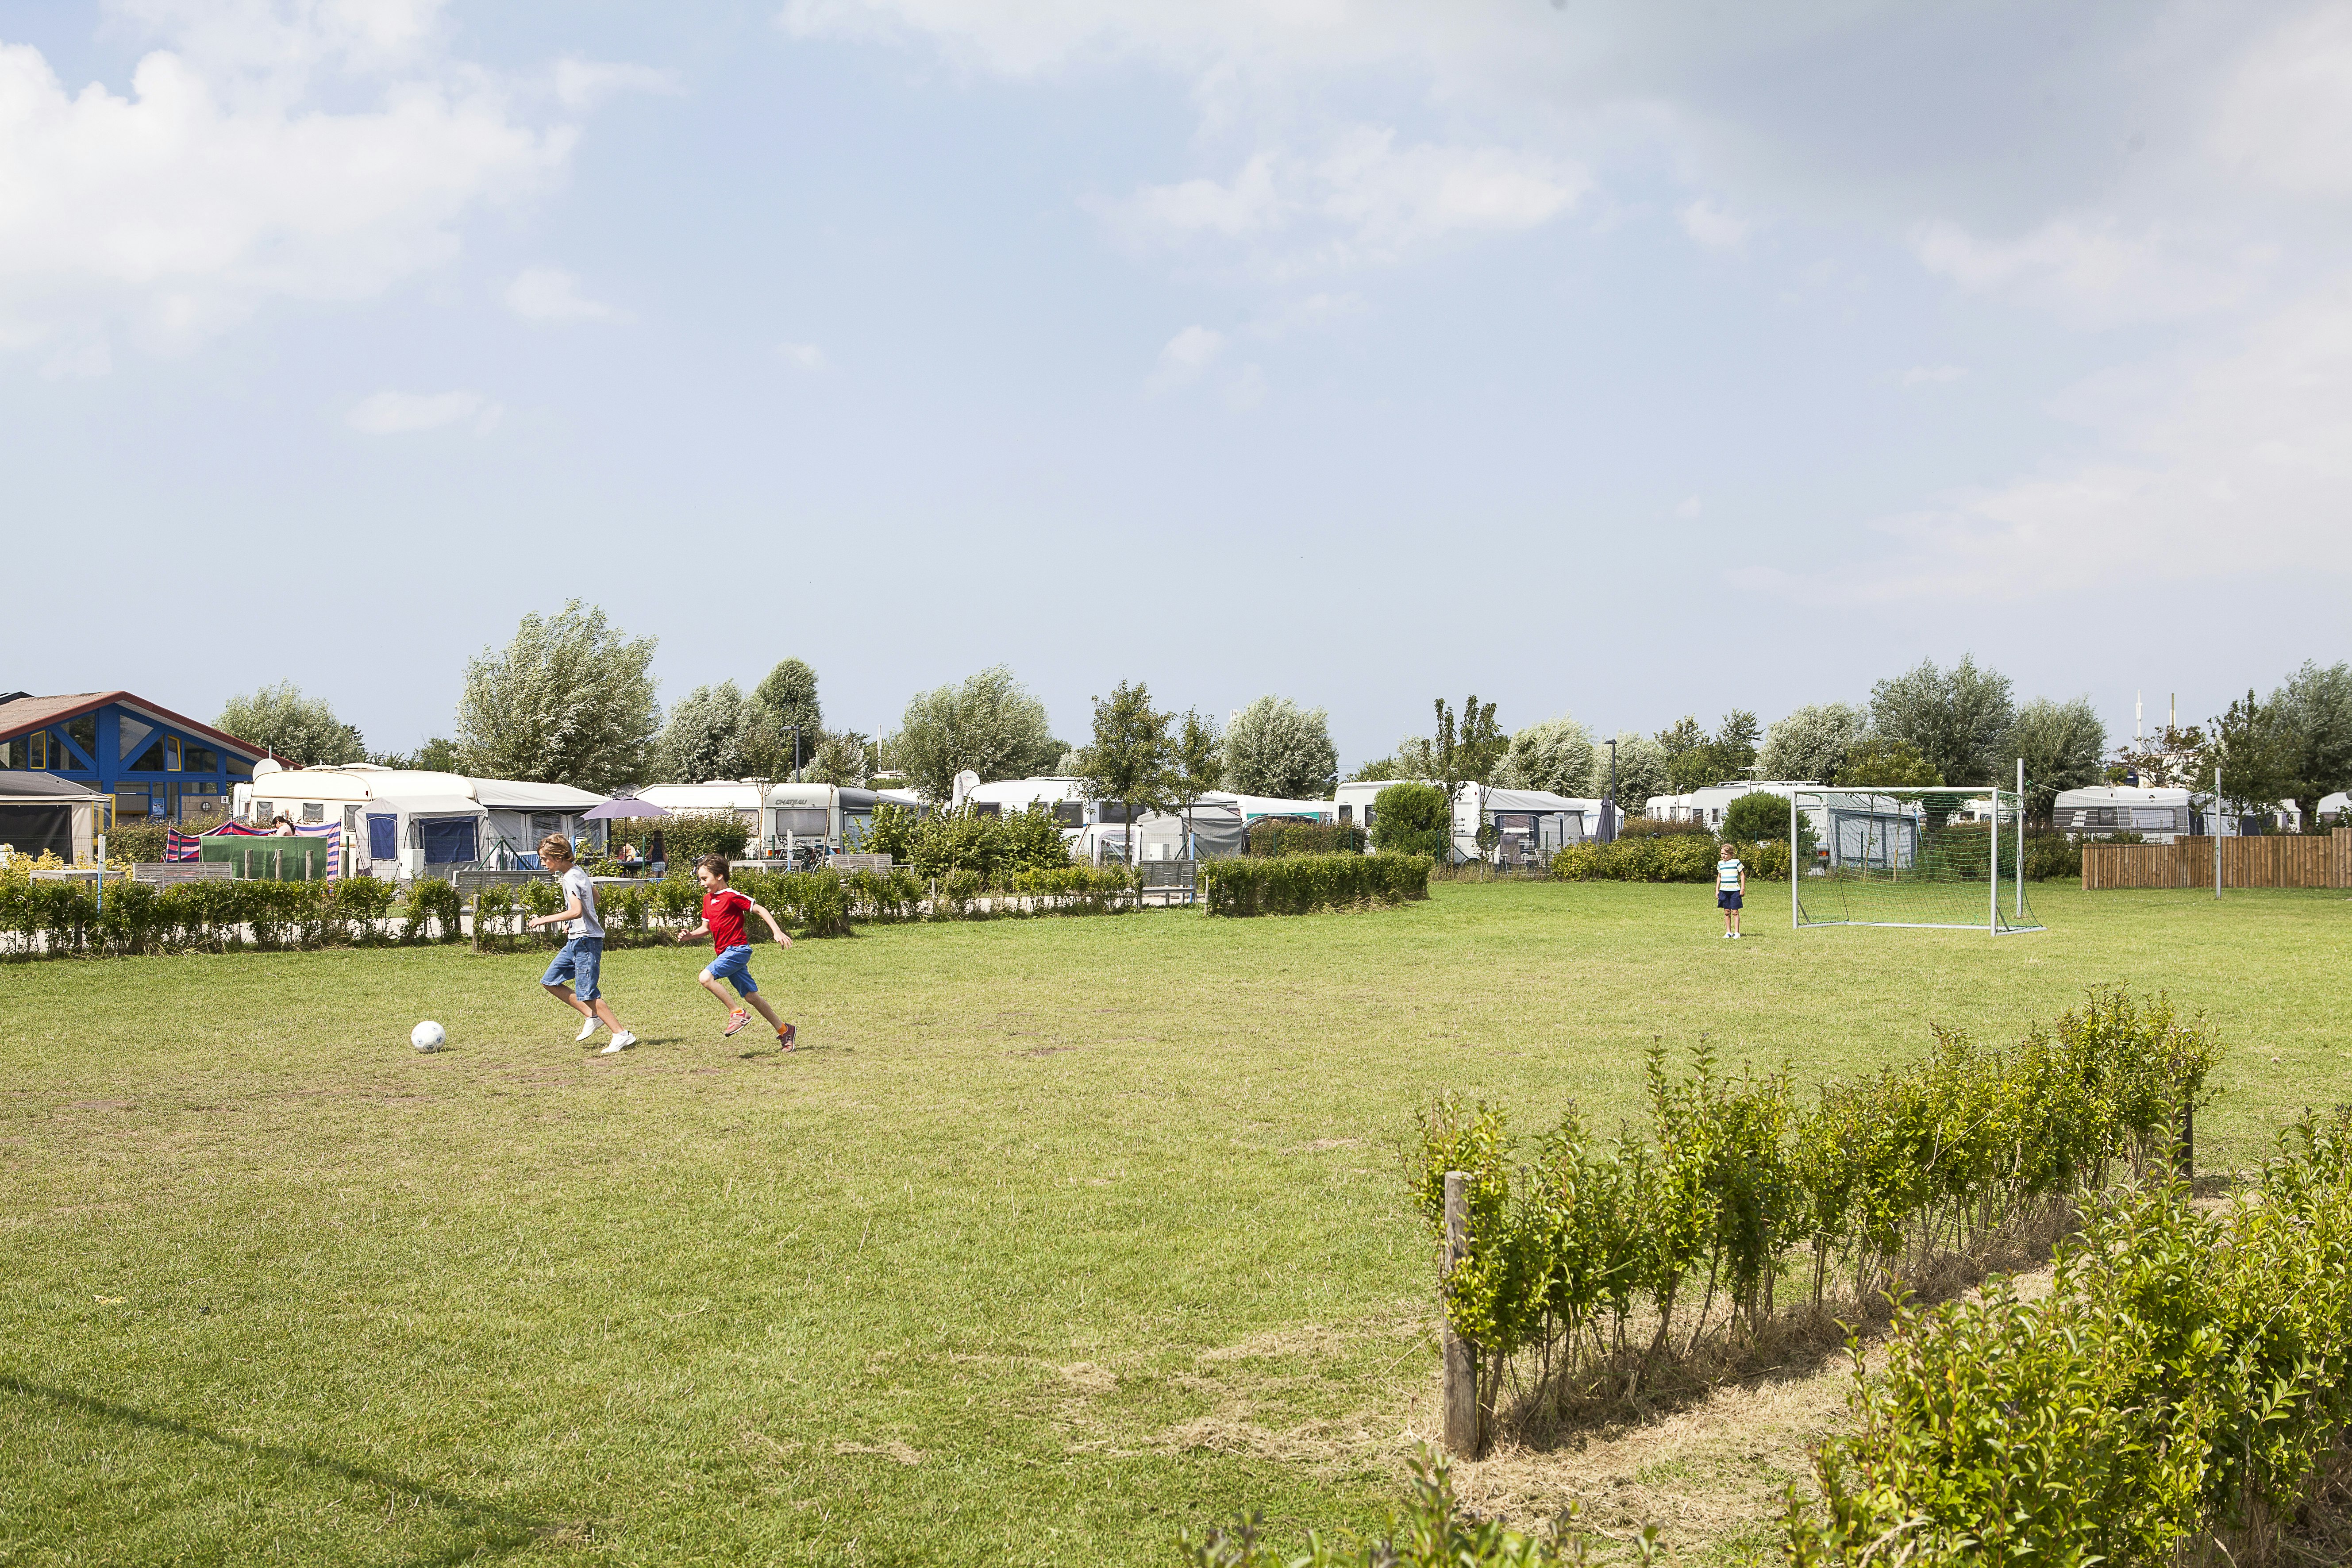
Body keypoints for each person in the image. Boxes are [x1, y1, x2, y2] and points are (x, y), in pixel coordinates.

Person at [527, 834, 639, 1055]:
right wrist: (573, 923)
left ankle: (621, 1034)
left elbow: (577, 910)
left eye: (544, 858)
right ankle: (592, 1016)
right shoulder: (578, 872)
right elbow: (595, 898)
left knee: (587, 992)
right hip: (577, 939)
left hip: (586, 942)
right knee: (550, 981)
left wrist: (544, 919)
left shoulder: (570, 878)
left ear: (558, 857)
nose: (542, 863)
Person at [674, 853, 797, 1050]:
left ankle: (737, 1013)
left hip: (738, 950)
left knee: (706, 978)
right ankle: (784, 1030)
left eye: (705, 879)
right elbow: (706, 928)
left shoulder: (732, 896)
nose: (702, 883)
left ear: (720, 876)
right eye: (700, 879)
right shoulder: (708, 900)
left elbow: (760, 910)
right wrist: (690, 936)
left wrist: (777, 931)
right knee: (751, 996)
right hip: (724, 954)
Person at [1716, 840, 1745, 939]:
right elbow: (1719, 877)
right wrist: (1717, 890)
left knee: (1735, 912)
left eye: (1725, 854)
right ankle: (1729, 932)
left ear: (1731, 854)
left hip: (1734, 891)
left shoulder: (1736, 862)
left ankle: (1737, 932)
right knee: (1727, 912)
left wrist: (1742, 889)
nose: (1723, 856)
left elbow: (1742, 875)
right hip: (1724, 891)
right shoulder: (1720, 864)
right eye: (1722, 854)